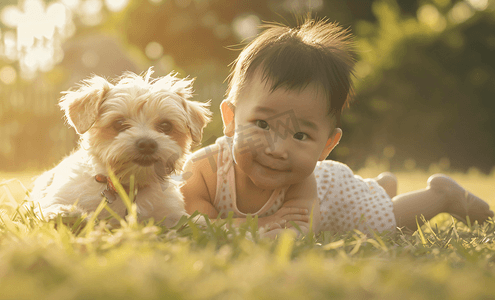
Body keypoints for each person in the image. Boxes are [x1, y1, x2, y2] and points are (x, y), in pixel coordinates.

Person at [180, 18, 493, 237]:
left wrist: (278, 229)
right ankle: (380, 187)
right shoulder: (203, 171)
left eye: (301, 135)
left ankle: (441, 195)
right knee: (373, 196)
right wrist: (263, 226)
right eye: (262, 124)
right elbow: (196, 226)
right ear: (231, 120)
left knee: (384, 222)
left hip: (335, 197)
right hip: (334, 189)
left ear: (326, 146)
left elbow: (299, 233)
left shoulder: (302, 183)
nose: (276, 148)